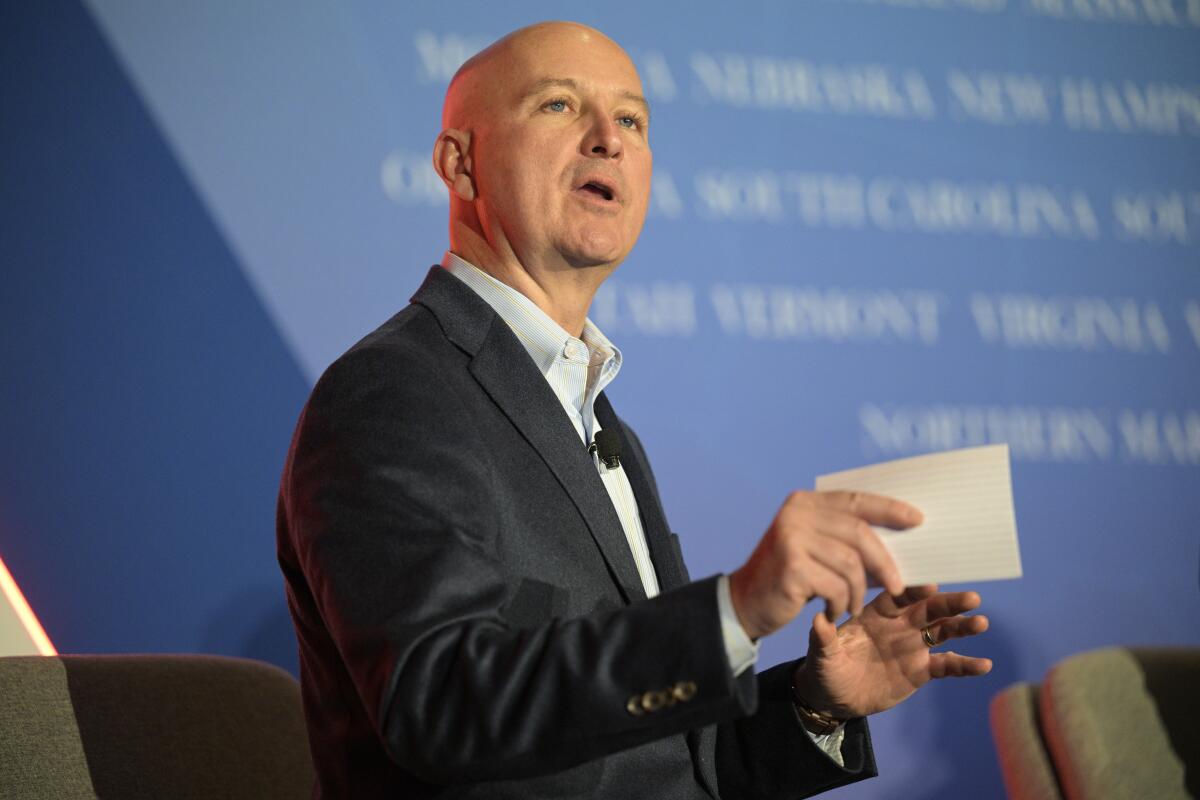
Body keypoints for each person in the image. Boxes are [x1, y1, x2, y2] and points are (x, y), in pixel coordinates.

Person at [276, 20, 992, 799]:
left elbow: (667, 765)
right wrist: (735, 609)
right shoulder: (395, 393)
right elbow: (442, 708)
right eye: (557, 105)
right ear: (460, 163)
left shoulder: (599, 420)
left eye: (632, 120)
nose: (607, 140)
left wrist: (816, 703)